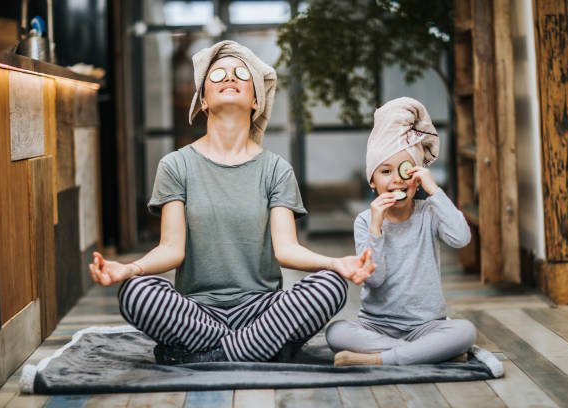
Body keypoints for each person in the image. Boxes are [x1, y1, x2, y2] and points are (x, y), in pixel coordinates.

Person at [88, 40, 375, 364]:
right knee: (134, 291)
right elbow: (171, 249)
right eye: (217, 75)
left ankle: (206, 354)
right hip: (195, 312)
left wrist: (334, 263)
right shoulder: (176, 165)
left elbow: (286, 250)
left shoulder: (276, 169)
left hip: (262, 310)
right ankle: (259, 349)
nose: (229, 77)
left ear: (256, 99)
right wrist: (129, 268)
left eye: (241, 74)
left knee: (331, 285)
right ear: (203, 100)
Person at [326, 97, 478, 366]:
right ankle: (428, 353)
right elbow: (375, 279)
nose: (396, 179)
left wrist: (435, 191)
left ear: (416, 176)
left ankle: (380, 358)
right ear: (372, 182)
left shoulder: (429, 212)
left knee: (465, 331)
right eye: (385, 171)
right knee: (336, 332)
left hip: (427, 325)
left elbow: (461, 238)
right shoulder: (365, 221)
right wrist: (376, 227)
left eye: (404, 170)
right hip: (377, 325)